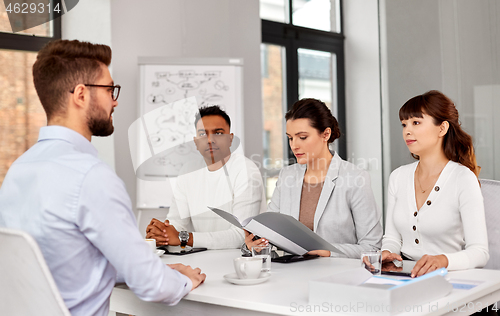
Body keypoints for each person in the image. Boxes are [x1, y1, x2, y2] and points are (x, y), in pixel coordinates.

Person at [0, 39, 205, 316]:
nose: (115, 100)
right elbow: (153, 286)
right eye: (109, 89)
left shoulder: (18, 170)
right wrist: (183, 280)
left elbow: (69, 264)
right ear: (81, 95)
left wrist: (149, 268)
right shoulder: (91, 177)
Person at [245, 98, 383, 258]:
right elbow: (271, 233)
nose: (294, 145)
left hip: (337, 276)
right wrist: (256, 244)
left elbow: (372, 247)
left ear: (326, 134)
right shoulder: (287, 176)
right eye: (290, 138)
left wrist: (327, 252)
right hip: (293, 275)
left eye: (302, 137)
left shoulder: (355, 177)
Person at [381, 90, 489, 277]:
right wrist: (387, 253)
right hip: (403, 276)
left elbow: (480, 253)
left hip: (450, 277)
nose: (407, 131)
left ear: (442, 128)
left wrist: (443, 260)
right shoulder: (397, 177)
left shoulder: (463, 178)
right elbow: (391, 238)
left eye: (416, 122)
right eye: (404, 124)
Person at [146, 105, 266, 250]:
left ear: (231, 139)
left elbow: (241, 235)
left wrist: (183, 238)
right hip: (201, 261)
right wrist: (162, 233)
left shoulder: (246, 170)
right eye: (203, 134)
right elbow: (177, 222)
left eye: (218, 133)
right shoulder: (187, 171)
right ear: (196, 142)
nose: (210, 140)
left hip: (239, 261)